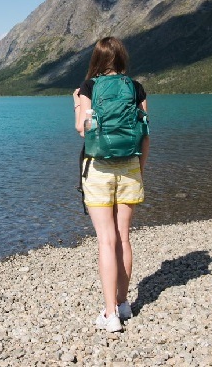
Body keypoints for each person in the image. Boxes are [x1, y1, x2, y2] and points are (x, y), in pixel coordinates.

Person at [72, 36, 149, 333]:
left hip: (100, 167)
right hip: (130, 165)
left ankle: (110, 314)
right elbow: (145, 134)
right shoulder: (136, 87)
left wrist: (77, 102)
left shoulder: (89, 87)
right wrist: (138, 170)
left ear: (97, 60)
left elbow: (82, 129)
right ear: (122, 58)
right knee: (124, 238)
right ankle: (124, 302)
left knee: (106, 240)